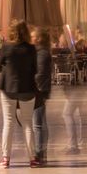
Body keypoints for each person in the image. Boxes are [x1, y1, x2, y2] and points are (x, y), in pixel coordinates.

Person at [0, 21, 41, 168]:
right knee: (28, 123)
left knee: (8, 122)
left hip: (8, 88)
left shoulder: (6, 47)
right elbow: (36, 68)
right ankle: (32, 158)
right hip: (27, 88)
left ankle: (5, 159)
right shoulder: (31, 49)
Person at [32, 34, 54, 164]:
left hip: (38, 91)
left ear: (39, 38)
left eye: (33, 36)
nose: (31, 37)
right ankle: (42, 151)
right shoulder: (43, 52)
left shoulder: (42, 53)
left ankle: (39, 153)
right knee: (41, 123)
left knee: (37, 124)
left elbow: (39, 75)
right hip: (42, 90)